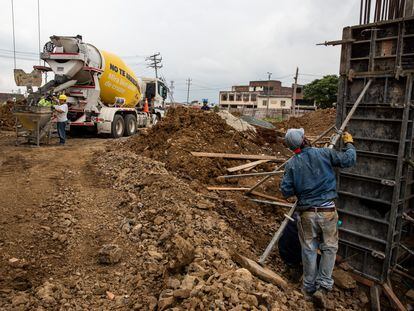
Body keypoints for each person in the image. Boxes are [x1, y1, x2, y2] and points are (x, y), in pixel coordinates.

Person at [280, 128, 356, 308]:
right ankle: (323, 286)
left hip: (307, 213)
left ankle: (308, 289)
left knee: (308, 250)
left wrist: (301, 184)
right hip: (328, 211)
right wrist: (349, 143)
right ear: (304, 139)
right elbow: (348, 160)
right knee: (329, 248)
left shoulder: (291, 164)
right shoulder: (324, 153)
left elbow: (286, 191)